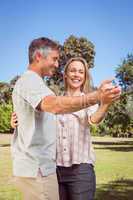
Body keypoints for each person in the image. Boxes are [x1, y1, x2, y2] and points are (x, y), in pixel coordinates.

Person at [11, 37, 121, 200]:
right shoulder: (53, 98)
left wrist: (103, 103)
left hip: (80, 169)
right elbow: (51, 108)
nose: (57, 64)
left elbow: (94, 119)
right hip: (54, 169)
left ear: (85, 76)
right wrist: (18, 120)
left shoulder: (81, 99)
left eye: (81, 71)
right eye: (72, 70)